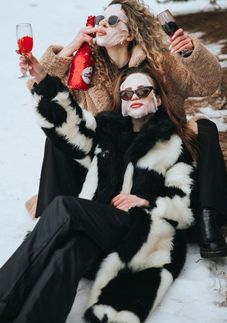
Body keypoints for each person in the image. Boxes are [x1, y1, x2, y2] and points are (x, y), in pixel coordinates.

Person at [20, 0, 227, 257]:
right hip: (111, 161)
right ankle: (49, 223)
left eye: (111, 21)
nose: (101, 25)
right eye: (100, 19)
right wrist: (72, 46)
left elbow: (207, 85)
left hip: (157, 155)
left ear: (129, 33)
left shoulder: (159, 62)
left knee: (205, 127)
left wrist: (189, 54)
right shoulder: (85, 66)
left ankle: (208, 219)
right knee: (58, 138)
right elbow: (41, 88)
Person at [1, 62, 197, 323]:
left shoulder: (172, 144)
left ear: (157, 99)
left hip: (140, 229)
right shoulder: (107, 131)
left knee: (63, 208)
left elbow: (183, 202)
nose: (135, 97)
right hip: (102, 229)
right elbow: (71, 125)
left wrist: (145, 201)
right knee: (69, 252)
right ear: (122, 102)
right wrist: (45, 81)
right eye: (127, 94)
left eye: (143, 91)